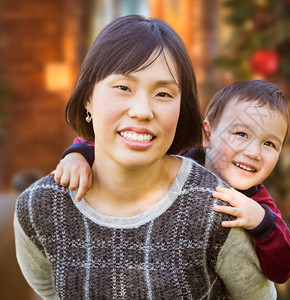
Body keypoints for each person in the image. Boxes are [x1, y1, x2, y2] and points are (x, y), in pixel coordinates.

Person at [14, 15, 276, 299]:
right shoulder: (39, 208)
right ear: (88, 97)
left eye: (163, 93)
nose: (142, 111)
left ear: (181, 108)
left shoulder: (216, 209)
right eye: (123, 88)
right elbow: (48, 290)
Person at [54, 80, 290, 284]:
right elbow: (119, 151)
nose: (254, 152)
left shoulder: (259, 204)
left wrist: (262, 222)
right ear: (208, 134)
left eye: (269, 144)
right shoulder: (178, 159)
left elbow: (284, 269)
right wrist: (78, 155)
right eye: (241, 134)